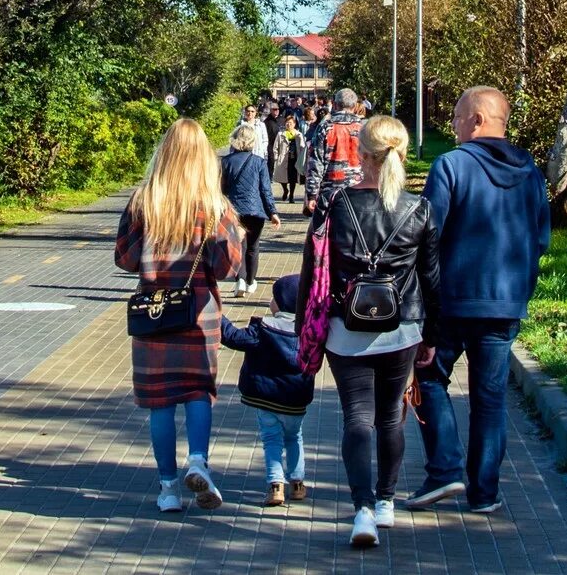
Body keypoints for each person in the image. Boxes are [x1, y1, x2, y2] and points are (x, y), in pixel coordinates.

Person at [408, 86, 552, 516]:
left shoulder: (451, 166)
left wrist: (419, 301)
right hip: (505, 304)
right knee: (489, 398)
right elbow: (541, 238)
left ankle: (445, 470)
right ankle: (484, 493)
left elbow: (426, 238)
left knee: (428, 376)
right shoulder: (532, 173)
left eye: (455, 116)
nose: (451, 124)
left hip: (452, 301)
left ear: (476, 120)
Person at [300, 116, 440, 549]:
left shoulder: (335, 204)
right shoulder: (420, 208)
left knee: (356, 418)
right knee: (389, 415)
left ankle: (361, 510)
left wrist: (308, 327)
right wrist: (432, 336)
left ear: (360, 154)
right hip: (403, 328)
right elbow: (432, 279)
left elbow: (313, 268)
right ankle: (386, 501)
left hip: (346, 327)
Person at [116, 117, 246, 513]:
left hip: (155, 315)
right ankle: (198, 462)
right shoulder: (214, 206)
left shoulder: (143, 201)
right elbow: (229, 268)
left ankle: (168, 489)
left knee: (160, 403)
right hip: (199, 314)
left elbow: (125, 259)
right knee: (197, 394)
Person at [220, 273, 314, 508]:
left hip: (267, 400)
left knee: (271, 440)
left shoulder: (263, 329)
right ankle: (298, 482)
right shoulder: (309, 332)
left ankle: (275, 485)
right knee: (295, 437)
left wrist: (217, 317)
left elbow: (233, 338)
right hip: (296, 401)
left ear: (281, 302)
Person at [219, 121, 279, 294]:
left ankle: (240, 280)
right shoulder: (259, 162)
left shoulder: (226, 162)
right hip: (255, 210)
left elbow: (220, 189)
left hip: (233, 210)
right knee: (253, 247)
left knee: (238, 245)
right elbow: (265, 190)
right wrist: (272, 212)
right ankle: (251, 281)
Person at [303, 87, 369, 214]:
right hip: (359, 190)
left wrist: (311, 194)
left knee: (329, 231)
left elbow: (316, 162)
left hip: (330, 192)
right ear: (355, 106)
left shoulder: (325, 127)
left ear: (334, 104)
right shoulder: (363, 128)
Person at [272, 112, 304, 203]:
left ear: (294, 124)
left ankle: (291, 196)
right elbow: (275, 147)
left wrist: (302, 160)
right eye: (287, 123)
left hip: (294, 159)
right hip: (283, 159)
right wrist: (276, 158)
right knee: (283, 178)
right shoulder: (280, 134)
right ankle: (285, 190)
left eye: (290, 123)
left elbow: (302, 147)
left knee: (293, 179)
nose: (288, 124)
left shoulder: (298, 135)